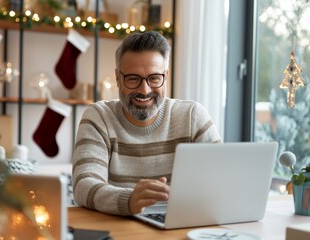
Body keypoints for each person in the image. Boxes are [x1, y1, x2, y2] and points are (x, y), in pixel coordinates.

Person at [72, 31, 221, 216]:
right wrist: (129, 200)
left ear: (165, 76)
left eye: (154, 78)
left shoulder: (193, 116)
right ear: (118, 78)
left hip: (180, 226)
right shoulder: (99, 117)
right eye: (133, 78)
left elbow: (221, 179)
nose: (145, 90)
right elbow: (83, 185)